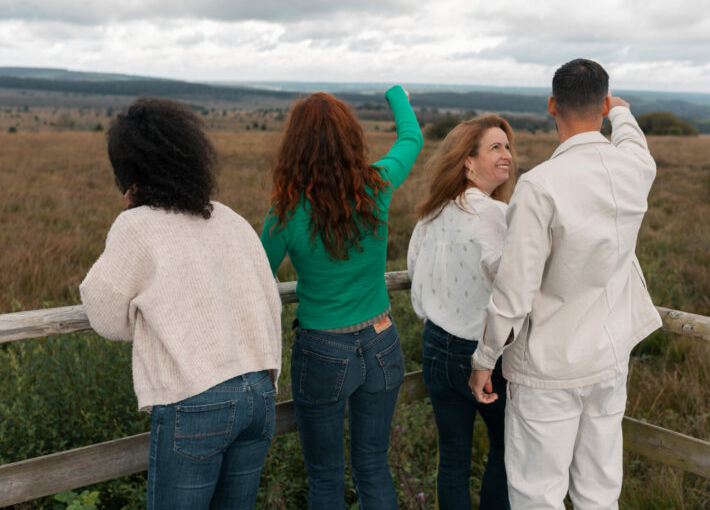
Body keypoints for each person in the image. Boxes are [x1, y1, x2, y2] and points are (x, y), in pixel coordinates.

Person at [469, 59, 663, 510]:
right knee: (599, 493)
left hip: (547, 369)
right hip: (609, 360)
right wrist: (623, 112)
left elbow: (514, 291)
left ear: (552, 105)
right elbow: (635, 143)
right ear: (603, 106)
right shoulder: (636, 169)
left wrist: (485, 358)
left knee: (538, 496)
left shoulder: (540, 185)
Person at [80, 97, 282, 510]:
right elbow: (270, 298)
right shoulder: (229, 217)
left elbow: (102, 313)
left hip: (196, 398)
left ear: (129, 173)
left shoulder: (136, 226)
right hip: (259, 390)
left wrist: (153, 321)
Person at [260, 86, 423, 509]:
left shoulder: (285, 211)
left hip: (322, 349)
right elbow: (411, 139)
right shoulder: (377, 185)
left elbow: (256, 274)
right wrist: (396, 94)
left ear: (294, 146)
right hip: (381, 340)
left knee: (326, 478)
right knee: (372, 465)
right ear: (352, 137)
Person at [407, 115, 515, 509]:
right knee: (507, 450)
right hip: (483, 353)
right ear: (467, 161)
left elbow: (416, 270)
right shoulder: (492, 214)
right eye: (495, 148)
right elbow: (512, 282)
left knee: (453, 457)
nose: (507, 156)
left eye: (507, 147)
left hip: (436, 344)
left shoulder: (433, 211)